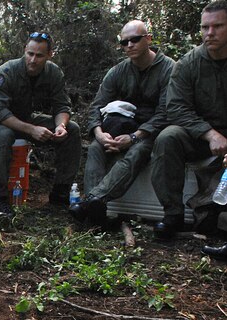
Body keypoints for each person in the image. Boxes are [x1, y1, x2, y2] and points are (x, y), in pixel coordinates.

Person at [70, 21, 174, 226]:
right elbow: (97, 106)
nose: (129, 45)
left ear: (148, 39)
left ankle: (92, 201)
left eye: (135, 40)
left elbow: (166, 112)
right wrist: (99, 133)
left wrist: (135, 137)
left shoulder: (169, 69)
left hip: (152, 133)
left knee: (138, 150)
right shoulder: (118, 71)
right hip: (120, 128)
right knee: (95, 148)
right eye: (124, 42)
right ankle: (96, 215)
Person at [150, 0, 227, 240]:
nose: (209, 33)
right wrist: (209, 133)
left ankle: (212, 216)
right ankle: (172, 215)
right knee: (168, 137)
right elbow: (175, 107)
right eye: (205, 27)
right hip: (201, 135)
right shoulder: (188, 63)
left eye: (217, 26)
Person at [0, 32, 80, 214]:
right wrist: (32, 130)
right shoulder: (6, 72)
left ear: (49, 55)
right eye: (30, 54)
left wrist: (60, 126)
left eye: (39, 55)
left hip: (25, 117)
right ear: (25, 50)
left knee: (72, 130)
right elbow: (0, 113)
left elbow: (62, 106)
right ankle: (1, 198)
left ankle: (60, 193)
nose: (33, 60)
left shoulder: (53, 73)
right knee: (3, 134)